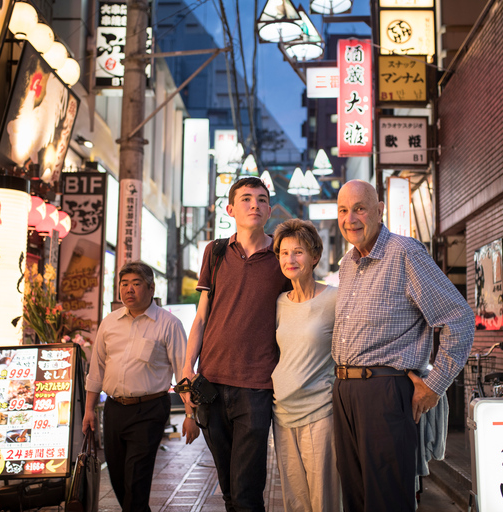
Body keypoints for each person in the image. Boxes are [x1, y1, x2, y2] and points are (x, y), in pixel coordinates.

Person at [333, 180, 475, 512]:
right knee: (355, 498)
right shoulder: (347, 265)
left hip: (384, 391)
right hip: (345, 391)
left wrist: (434, 386)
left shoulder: (405, 252)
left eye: (359, 208)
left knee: (387, 499)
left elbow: (459, 318)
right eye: (343, 210)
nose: (350, 218)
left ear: (380, 210)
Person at [180, 177, 290, 512]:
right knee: (228, 487)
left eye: (261, 199)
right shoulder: (214, 252)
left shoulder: (282, 257)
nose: (254, 205)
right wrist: (187, 370)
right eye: (246, 199)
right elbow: (201, 319)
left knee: (247, 489)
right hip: (211, 383)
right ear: (230, 209)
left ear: (270, 210)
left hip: (257, 386)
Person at [83, 261, 199, 512]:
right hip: (114, 410)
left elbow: (183, 372)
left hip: (149, 410)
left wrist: (190, 415)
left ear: (150, 287)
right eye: (124, 284)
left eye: (136, 284)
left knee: (137, 480)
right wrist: (89, 409)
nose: (129, 290)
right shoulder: (109, 322)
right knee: (119, 480)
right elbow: (96, 369)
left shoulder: (168, 324)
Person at [271, 219, 341, 512]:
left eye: (298, 252)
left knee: (323, 499)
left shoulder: (334, 299)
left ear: (315, 256)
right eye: (284, 253)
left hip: (320, 410)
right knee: (294, 500)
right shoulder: (277, 302)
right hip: (282, 412)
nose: (290, 259)